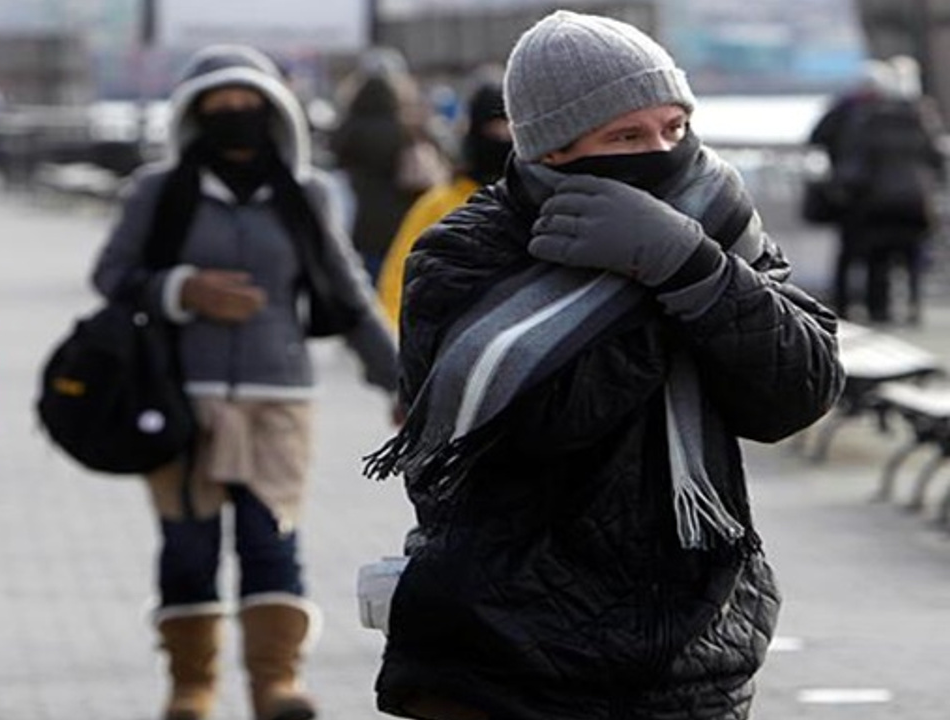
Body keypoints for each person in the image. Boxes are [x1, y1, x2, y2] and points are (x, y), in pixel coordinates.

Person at [363, 11, 844, 719]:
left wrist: (696, 270)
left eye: (674, 127)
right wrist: (661, 287)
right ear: (554, 148)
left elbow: (797, 392)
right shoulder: (463, 252)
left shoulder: (716, 227)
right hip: (504, 651)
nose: (663, 151)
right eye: (627, 137)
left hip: (692, 646)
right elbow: (541, 425)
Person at [91, 45, 399, 720]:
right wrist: (182, 289)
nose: (235, 115)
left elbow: (348, 295)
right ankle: (191, 686)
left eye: (248, 103)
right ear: (193, 115)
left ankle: (275, 683)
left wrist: (403, 384)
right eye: (218, 105)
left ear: (275, 111)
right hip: (180, 399)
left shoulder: (305, 194)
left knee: (271, 539)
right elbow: (111, 276)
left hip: (277, 398)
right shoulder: (158, 190)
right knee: (187, 545)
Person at [808, 58, 943, 324]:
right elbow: (935, 157)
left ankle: (872, 309)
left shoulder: (863, 117)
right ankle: (912, 306)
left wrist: (841, 187)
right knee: (910, 254)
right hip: (915, 198)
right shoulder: (920, 118)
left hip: (873, 199)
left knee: (873, 256)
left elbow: (848, 157)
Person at [376, 78, 511, 328]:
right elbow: (399, 277)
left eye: (510, 129)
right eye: (494, 129)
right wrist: (398, 336)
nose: (503, 138)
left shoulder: (542, 202)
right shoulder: (438, 206)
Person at [331, 49, 448, 282]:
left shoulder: (348, 129)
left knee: (371, 280)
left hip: (363, 219)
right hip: (407, 216)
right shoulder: (407, 127)